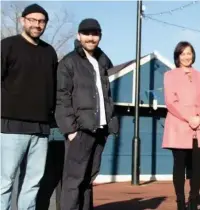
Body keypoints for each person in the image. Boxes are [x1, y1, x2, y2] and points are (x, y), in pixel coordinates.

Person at [54, 18, 118, 210]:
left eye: (95, 34)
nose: (91, 38)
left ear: (100, 36)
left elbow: (106, 96)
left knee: (88, 180)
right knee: (73, 180)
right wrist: (70, 130)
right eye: (87, 33)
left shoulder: (103, 62)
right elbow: (61, 97)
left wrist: (110, 124)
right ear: (79, 36)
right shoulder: (69, 62)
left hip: (100, 129)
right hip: (80, 130)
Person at [0, 3, 57, 210]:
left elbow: (53, 88)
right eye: (32, 20)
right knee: (4, 182)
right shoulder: (7, 46)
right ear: (22, 21)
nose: (37, 24)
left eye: (41, 21)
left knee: (32, 184)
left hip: (41, 130)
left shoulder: (49, 52)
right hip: (11, 127)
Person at [162, 41, 200, 210]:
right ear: (177, 56)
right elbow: (171, 102)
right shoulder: (170, 75)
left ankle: (193, 202)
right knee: (179, 166)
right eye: (183, 53)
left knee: (198, 168)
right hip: (179, 126)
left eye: (189, 53)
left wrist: (199, 118)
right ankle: (180, 203)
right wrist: (189, 118)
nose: (186, 56)